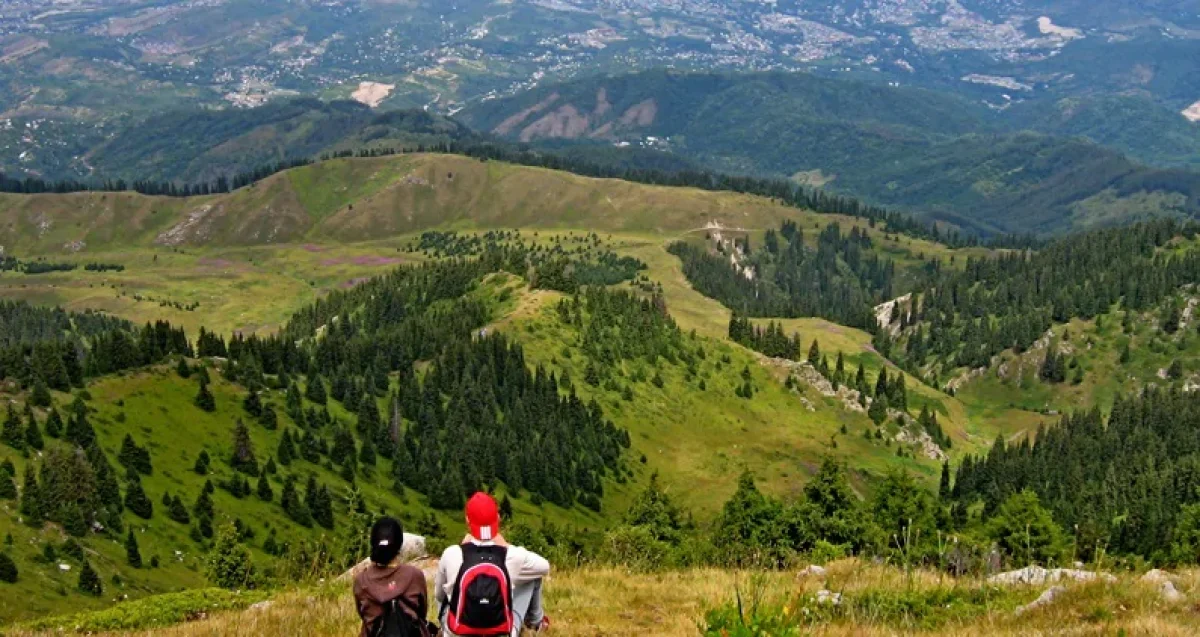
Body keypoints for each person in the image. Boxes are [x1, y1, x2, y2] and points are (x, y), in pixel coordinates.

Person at [435, 492, 551, 636]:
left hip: (457, 632)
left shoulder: (451, 553)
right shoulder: (512, 556)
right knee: (533, 575)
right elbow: (544, 566)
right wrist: (506, 544)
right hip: (501, 632)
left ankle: (444, 630)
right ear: (498, 518)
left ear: (467, 520)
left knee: (447, 594)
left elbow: (439, 596)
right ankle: (536, 623)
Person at [354, 517, 433, 637]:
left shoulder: (361, 580)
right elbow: (422, 612)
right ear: (399, 544)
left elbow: (362, 614)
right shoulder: (414, 575)